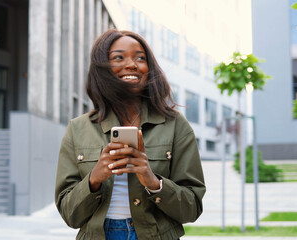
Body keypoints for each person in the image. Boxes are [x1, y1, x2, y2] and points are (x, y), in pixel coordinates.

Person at [55, 29, 206, 240]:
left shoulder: (175, 125)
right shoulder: (78, 128)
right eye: (118, 57)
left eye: (140, 58)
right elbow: (69, 214)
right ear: (102, 67)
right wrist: (95, 178)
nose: (132, 65)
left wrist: (153, 182)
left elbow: (192, 209)